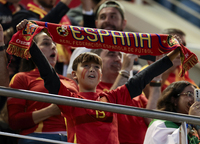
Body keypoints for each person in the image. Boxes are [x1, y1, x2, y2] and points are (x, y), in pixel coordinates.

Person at [16, 19, 182, 143]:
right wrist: (29, 40)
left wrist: (172, 56)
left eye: (96, 67)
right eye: (86, 65)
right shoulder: (69, 99)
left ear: (100, 75)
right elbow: (47, 73)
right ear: (74, 75)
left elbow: (141, 79)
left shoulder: (111, 98)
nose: (92, 69)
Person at [7, 28, 79, 143]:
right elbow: (14, 122)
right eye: (46, 43)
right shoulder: (22, 78)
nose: (53, 47)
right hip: (37, 137)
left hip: (72, 139)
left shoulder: (71, 82)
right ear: (33, 50)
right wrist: (50, 111)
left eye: (55, 44)